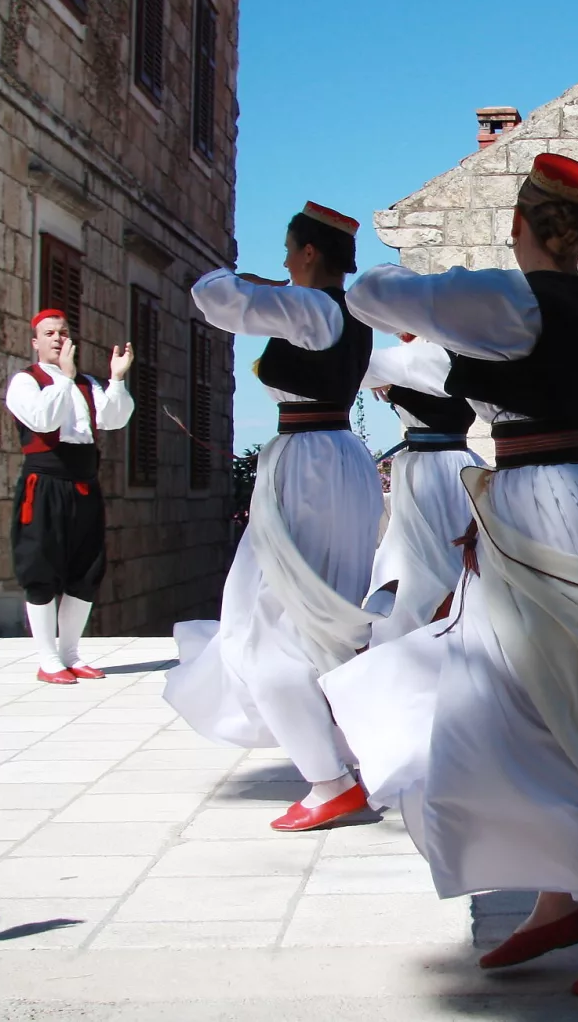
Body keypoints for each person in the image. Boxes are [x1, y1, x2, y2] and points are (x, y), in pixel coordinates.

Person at [323, 153, 578, 997]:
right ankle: (554, 902)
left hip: (534, 501)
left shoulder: (502, 301)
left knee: (520, 707)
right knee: (544, 697)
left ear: (519, 224)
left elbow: (375, 293)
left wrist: (422, 293)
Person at [164, 202, 381, 834]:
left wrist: (257, 283)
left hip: (310, 468)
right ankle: (345, 757)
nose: (284, 260)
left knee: (265, 621)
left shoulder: (313, 308)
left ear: (309, 254)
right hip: (333, 461)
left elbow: (213, 296)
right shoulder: (346, 314)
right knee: (310, 615)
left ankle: (330, 778)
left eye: (290, 250)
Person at [6, 311, 134, 683]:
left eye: (63, 332)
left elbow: (114, 418)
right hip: (45, 484)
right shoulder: (26, 382)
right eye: (49, 333)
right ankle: (48, 660)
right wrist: (62, 378)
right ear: (36, 341)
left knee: (87, 569)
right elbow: (43, 421)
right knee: (41, 566)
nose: (58, 338)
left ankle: (70, 653)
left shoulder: (87, 385)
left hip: (84, 484)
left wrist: (117, 379)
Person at [362, 334, 485, 645]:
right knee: (413, 558)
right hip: (427, 466)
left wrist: (386, 379)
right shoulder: (428, 352)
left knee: (436, 560)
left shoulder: (432, 353)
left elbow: (356, 366)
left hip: (437, 470)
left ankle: (438, 632)